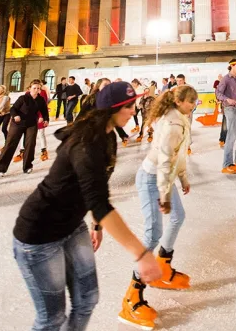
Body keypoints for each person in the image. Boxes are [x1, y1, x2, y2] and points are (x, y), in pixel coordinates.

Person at [12, 81, 162, 331]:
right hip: (39, 235)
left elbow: (97, 188)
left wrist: (96, 225)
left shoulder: (107, 135)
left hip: (72, 226)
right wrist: (141, 253)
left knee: (87, 299)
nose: (133, 111)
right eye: (129, 107)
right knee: (52, 318)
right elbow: (100, 203)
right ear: (111, 110)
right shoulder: (86, 143)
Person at [128, 87, 197, 317]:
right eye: (190, 102)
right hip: (151, 178)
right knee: (153, 233)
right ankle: (133, 293)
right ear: (178, 101)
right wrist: (165, 194)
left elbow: (179, 155)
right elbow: (165, 161)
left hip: (162, 177)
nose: (194, 105)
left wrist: (184, 177)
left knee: (178, 217)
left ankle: (163, 268)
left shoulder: (179, 120)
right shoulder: (172, 125)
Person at [0, 79, 49, 177]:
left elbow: (44, 111)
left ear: (40, 90)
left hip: (31, 124)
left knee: (30, 144)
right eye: (34, 88)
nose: (36, 90)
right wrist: (15, 116)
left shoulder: (40, 100)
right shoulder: (23, 98)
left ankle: (27, 166)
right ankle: (0, 169)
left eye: (38, 88)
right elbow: (13, 109)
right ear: (30, 89)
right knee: (10, 144)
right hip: (18, 123)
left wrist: (46, 119)